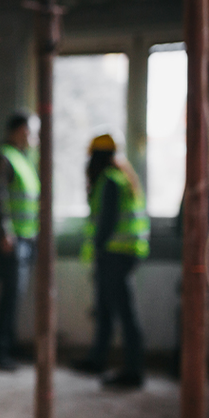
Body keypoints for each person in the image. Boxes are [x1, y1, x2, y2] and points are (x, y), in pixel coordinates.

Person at [72, 134, 150, 389]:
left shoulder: (109, 181)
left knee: (125, 313)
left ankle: (133, 370)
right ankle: (97, 358)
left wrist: (97, 251)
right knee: (105, 309)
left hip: (115, 255)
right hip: (121, 253)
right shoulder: (121, 177)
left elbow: (106, 223)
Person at [0, 112, 40, 370]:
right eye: (30, 132)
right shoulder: (3, 157)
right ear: (18, 131)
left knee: (15, 296)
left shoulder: (24, 160)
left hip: (24, 238)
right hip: (9, 238)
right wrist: (4, 231)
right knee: (9, 296)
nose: (34, 138)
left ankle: (8, 344)